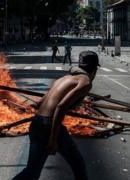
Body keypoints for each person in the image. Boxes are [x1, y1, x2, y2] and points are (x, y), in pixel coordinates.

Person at [12, 51, 100, 180]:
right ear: (94, 69)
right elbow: (61, 106)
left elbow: (39, 103)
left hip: (36, 123)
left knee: (31, 172)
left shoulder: (63, 79)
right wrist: (53, 139)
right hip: (49, 126)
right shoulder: (86, 82)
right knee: (78, 164)